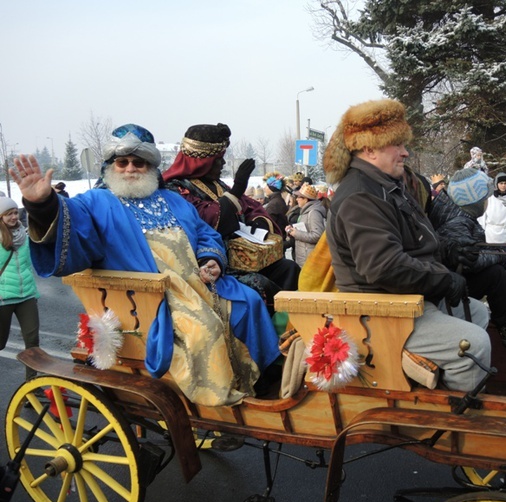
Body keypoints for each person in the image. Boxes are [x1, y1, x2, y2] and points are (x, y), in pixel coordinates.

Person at [10, 124, 279, 407]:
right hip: (151, 298)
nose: (130, 169)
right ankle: (219, 404)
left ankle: (256, 381)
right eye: (122, 162)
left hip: (199, 283)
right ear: (110, 166)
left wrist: (210, 259)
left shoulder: (174, 201)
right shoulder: (96, 202)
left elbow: (206, 234)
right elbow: (71, 228)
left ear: (151, 166)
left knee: (249, 302)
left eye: (139, 162)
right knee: (204, 330)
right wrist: (42, 205)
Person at [323, 99, 491, 392]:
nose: (405, 152)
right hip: (380, 313)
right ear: (370, 148)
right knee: (474, 344)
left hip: (404, 302)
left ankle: (435, 383)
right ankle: (450, 424)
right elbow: (383, 267)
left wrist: (448, 253)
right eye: (397, 144)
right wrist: (443, 280)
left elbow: (416, 243)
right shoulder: (362, 196)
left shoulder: (385, 186)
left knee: (478, 313)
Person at [162, 123, 300, 300]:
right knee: (261, 286)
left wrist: (257, 222)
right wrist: (236, 190)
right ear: (204, 161)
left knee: (289, 268)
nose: (224, 163)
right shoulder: (175, 188)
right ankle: (268, 326)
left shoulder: (218, 184)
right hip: (213, 264)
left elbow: (249, 206)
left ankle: (290, 322)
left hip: (245, 257)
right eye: (219, 159)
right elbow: (204, 219)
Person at [428, 168, 506, 347]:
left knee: (500, 267)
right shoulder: (456, 222)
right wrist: (501, 255)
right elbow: (470, 261)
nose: (487, 204)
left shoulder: (456, 214)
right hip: (452, 287)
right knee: (495, 273)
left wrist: (499, 253)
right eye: (484, 200)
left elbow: (473, 250)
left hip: (453, 277)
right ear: (473, 202)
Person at [0, 197, 40, 381]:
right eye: (9, 214)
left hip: (26, 296)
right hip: (3, 299)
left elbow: (30, 264)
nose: (14, 217)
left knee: (32, 343)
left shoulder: (25, 236)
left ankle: (32, 384)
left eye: (16, 212)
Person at [285, 183, 327, 267]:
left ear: (306, 199)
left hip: (310, 258)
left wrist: (296, 233)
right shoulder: (305, 211)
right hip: (305, 256)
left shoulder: (313, 212)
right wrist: (292, 230)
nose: (296, 199)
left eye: (299, 197)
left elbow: (317, 235)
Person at [478, 172, 506, 244]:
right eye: (501, 183)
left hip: (505, 235)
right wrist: (480, 233)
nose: (503, 185)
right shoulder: (489, 198)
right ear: (496, 184)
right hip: (490, 234)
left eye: (505, 183)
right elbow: (483, 216)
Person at [262, 173, 289, 237]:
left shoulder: (273, 204)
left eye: (266, 186)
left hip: (276, 236)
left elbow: (268, 224)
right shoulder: (278, 200)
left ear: (271, 188)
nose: (264, 188)